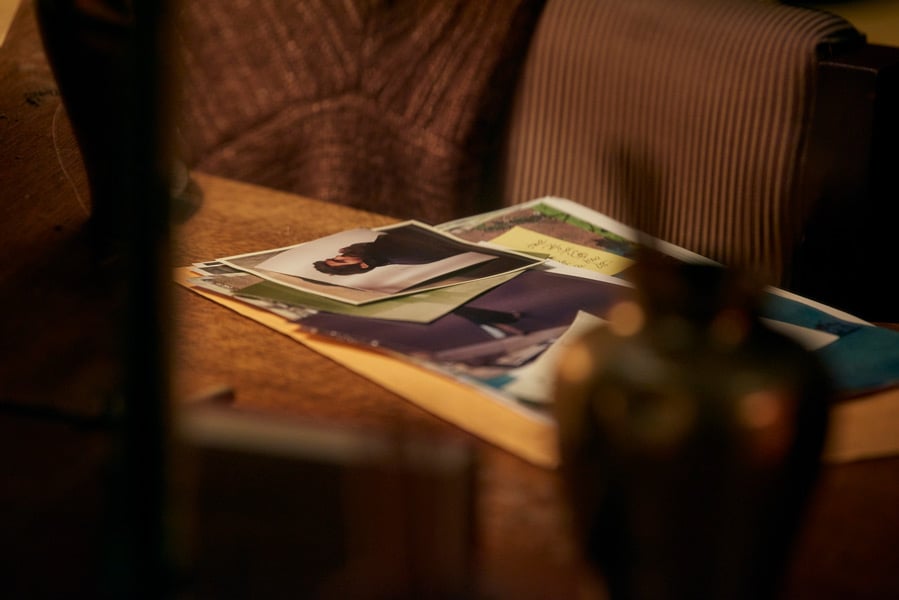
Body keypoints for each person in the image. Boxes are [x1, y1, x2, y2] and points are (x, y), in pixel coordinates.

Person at [313, 227, 464, 275]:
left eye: (334, 257)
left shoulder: (380, 251)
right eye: (340, 261)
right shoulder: (387, 252)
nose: (339, 256)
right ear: (362, 266)